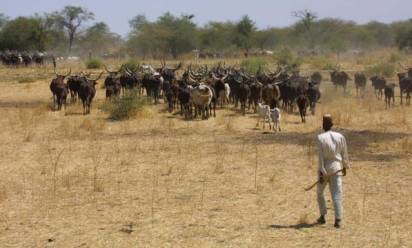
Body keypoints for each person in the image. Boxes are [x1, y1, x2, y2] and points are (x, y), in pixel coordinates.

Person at [316, 114, 350, 228]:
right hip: (337, 168)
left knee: (320, 192)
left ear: (323, 125)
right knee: (337, 194)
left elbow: (320, 158)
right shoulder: (340, 136)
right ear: (332, 125)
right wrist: (344, 167)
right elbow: (344, 153)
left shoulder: (320, 138)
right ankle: (338, 220)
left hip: (325, 168)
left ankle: (322, 216)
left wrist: (321, 172)